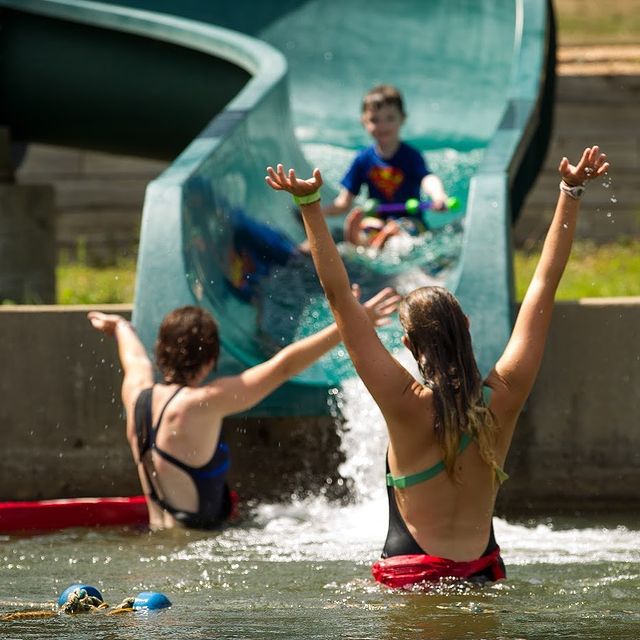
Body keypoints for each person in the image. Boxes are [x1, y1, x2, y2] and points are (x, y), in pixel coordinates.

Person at [266, 145, 609, 587]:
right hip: (481, 575)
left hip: (412, 577)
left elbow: (338, 298)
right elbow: (545, 283)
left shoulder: (404, 403)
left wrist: (311, 206)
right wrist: (571, 190)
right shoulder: (503, 395)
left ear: (407, 344)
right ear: (465, 326)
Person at [87, 291, 400, 531]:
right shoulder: (205, 402)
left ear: (160, 352)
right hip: (198, 548)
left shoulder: (137, 395)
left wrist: (119, 327)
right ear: (211, 360)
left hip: (158, 539)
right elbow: (284, 366)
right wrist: (350, 324)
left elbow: (135, 361)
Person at [321, 84, 450, 248]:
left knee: (403, 237)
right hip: (377, 219)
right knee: (370, 226)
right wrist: (317, 213)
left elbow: (428, 178)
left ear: (402, 118)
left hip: (410, 220)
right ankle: (366, 240)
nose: (382, 126)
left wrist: (438, 196)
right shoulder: (363, 159)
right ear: (364, 122)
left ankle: (384, 238)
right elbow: (344, 202)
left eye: (390, 118)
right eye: (375, 120)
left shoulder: (411, 156)